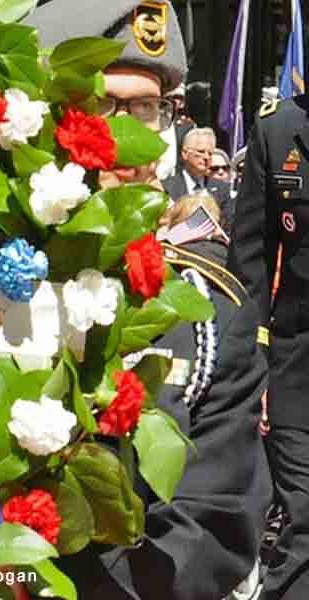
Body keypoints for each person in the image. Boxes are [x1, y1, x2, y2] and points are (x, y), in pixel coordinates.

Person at [24, 2, 271, 599]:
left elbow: (215, 517)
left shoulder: (207, 310)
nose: (132, 134)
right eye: (106, 104)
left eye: (147, 108)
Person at [227, 89, 309, 600]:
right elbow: (250, 263)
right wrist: (249, 363)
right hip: (298, 370)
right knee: (304, 522)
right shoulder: (280, 131)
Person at [163, 128, 235, 233]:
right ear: (184, 154)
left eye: (210, 153)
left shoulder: (222, 189)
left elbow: (228, 225)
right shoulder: (167, 187)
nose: (206, 157)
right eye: (201, 152)